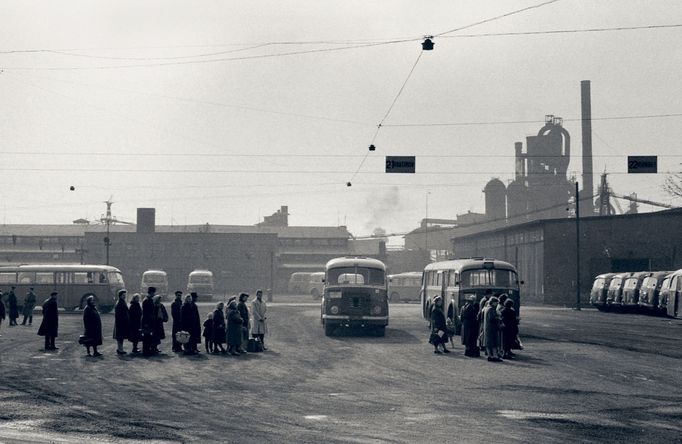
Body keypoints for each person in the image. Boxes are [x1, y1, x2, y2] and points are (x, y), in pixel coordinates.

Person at [483, 297, 502, 362]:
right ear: (493, 302)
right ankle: (495, 356)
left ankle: (489, 356)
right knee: (494, 343)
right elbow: (492, 319)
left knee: (488, 343)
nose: (497, 304)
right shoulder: (491, 309)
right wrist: (499, 318)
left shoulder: (486, 308)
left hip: (487, 327)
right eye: (496, 302)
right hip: (492, 328)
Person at [141, 287, 158, 356]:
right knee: (146, 336)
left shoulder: (148, 300)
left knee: (148, 336)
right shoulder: (147, 300)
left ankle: (147, 350)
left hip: (148, 320)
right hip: (147, 321)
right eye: (153, 292)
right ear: (151, 292)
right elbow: (146, 313)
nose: (154, 294)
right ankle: (146, 350)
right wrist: (146, 323)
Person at [113, 289, 130, 355]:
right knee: (120, 337)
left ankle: (120, 349)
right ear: (120, 296)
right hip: (120, 323)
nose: (124, 296)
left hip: (121, 323)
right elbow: (118, 314)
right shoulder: (119, 303)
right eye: (123, 295)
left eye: (125, 295)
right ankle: (120, 349)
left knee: (121, 337)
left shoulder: (122, 302)